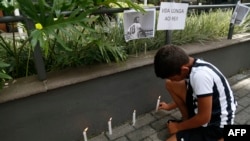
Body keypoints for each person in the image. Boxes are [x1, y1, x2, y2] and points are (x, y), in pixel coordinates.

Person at [153, 45, 237, 141]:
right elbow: (193, 95)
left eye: (173, 77)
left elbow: (204, 118)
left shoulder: (200, 77)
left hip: (215, 124)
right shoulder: (192, 65)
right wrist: (169, 107)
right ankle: (188, 122)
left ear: (184, 69)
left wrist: (178, 127)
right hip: (207, 111)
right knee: (171, 84)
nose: (172, 80)